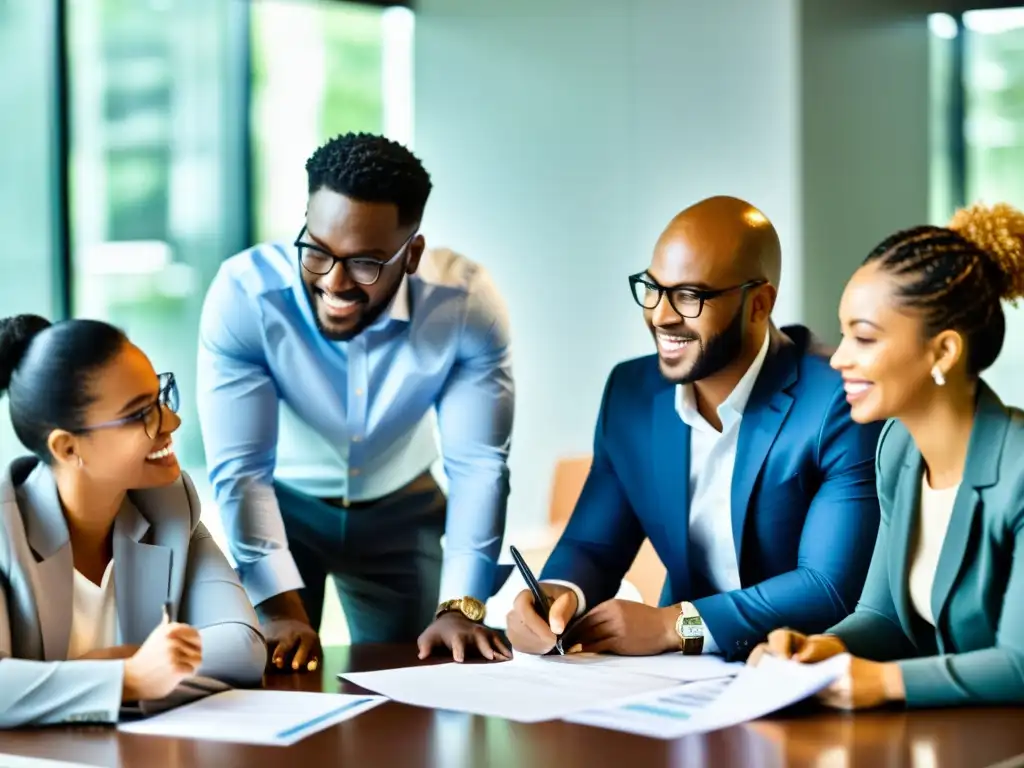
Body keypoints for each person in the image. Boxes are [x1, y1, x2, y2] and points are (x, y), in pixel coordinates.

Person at [506, 196, 883, 660]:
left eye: (689, 296)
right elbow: (593, 544)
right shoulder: (632, 392)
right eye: (654, 288)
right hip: (676, 678)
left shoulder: (837, 401)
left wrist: (676, 624)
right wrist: (553, 596)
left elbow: (828, 587)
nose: (661, 315)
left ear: (759, 304)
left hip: (802, 669)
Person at [197, 132, 513, 671]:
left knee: (416, 678)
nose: (334, 284)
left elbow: (479, 463)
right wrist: (278, 607)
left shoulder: (465, 303)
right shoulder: (246, 295)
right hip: (283, 507)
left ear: (411, 254)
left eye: (365, 263)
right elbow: (242, 471)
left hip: (403, 505)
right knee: (272, 671)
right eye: (317, 251)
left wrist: (463, 606)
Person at [751, 202, 1024, 709]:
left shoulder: (1019, 470)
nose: (838, 358)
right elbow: (884, 616)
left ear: (943, 351)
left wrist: (883, 683)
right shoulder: (896, 449)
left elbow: (1019, 662)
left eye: (864, 337)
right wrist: (821, 649)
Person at [0, 315, 266, 728]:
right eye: (140, 414)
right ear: (68, 448)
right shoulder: (5, 526)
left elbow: (242, 647)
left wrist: (89, 680)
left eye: (160, 397)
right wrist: (129, 677)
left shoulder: (169, 505)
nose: (172, 423)